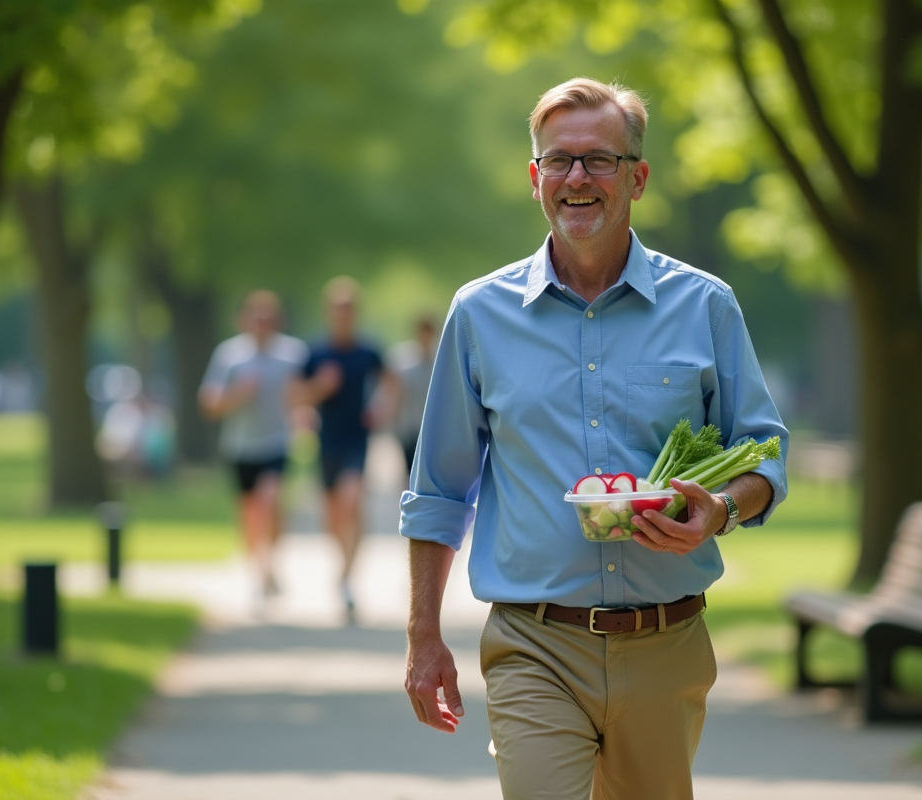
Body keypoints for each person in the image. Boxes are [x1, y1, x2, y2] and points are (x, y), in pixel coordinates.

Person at [400, 78, 789, 799]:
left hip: (667, 642)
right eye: (559, 161)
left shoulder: (705, 305)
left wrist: (721, 509)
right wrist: (424, 639)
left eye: (599, 160)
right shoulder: (479, 314)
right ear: (535, 178)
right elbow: (437, 493)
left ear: (637, 177)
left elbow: (766, 450)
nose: (577, 178)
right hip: (533, 643)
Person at [294, 276, 396, 624]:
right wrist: (319, 388)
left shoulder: (368, 351)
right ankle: (344, 569)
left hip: (357, 439)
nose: (343, 314)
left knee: (352, 501)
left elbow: (392, 386)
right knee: (333, 516)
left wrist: (382, 408)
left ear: (356, 312)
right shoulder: (316, 352)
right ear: (329, 312)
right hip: (327, 442)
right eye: (337, 308)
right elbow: (295, 396)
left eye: (348, 308)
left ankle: (348, 580)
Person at [199, 290, 307, 601]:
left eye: (267, 317)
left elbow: (302, 393)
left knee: (271, 500)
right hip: (240, 446)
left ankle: (272, 562)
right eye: (255, 316)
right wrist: (238, 395)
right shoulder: (230, 355)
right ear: (244, 319)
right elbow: (208, 404)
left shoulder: (292, 354)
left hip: (277, 441)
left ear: (276, 321)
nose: (261, 323)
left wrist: (304, 412)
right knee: (250, 513)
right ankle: (259, 573)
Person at [386, 314, 437, 478]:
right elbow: (396, 394)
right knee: (411, 474)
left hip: (434, 428)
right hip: (410, 428)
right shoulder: (404, 361)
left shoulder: (441, 360)